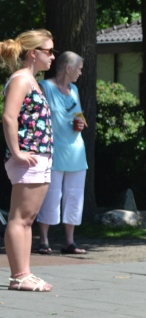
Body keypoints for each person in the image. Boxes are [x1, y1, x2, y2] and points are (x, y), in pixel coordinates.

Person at [0, 29, 56, 292]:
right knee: (20, 218)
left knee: (27, 219)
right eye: (49, 51)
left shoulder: (32, 80)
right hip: (28, 158)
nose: (53, 56)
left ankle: (24, 274)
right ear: (33, 54)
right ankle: (19, 276)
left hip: (38, 157)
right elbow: (9, 117)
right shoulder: (21, 79)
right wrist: (17, 151)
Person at [37, 51, 88, 255]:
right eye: (79, 68)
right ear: (68, 68)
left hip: (76, 152)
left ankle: (69, 242)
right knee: (51, 195)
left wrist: (81, 123)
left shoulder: (74, 89)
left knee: (74, 197)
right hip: (54, 151)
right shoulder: (45, 87)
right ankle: (44, 241)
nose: (81, 73)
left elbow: (79, 116)